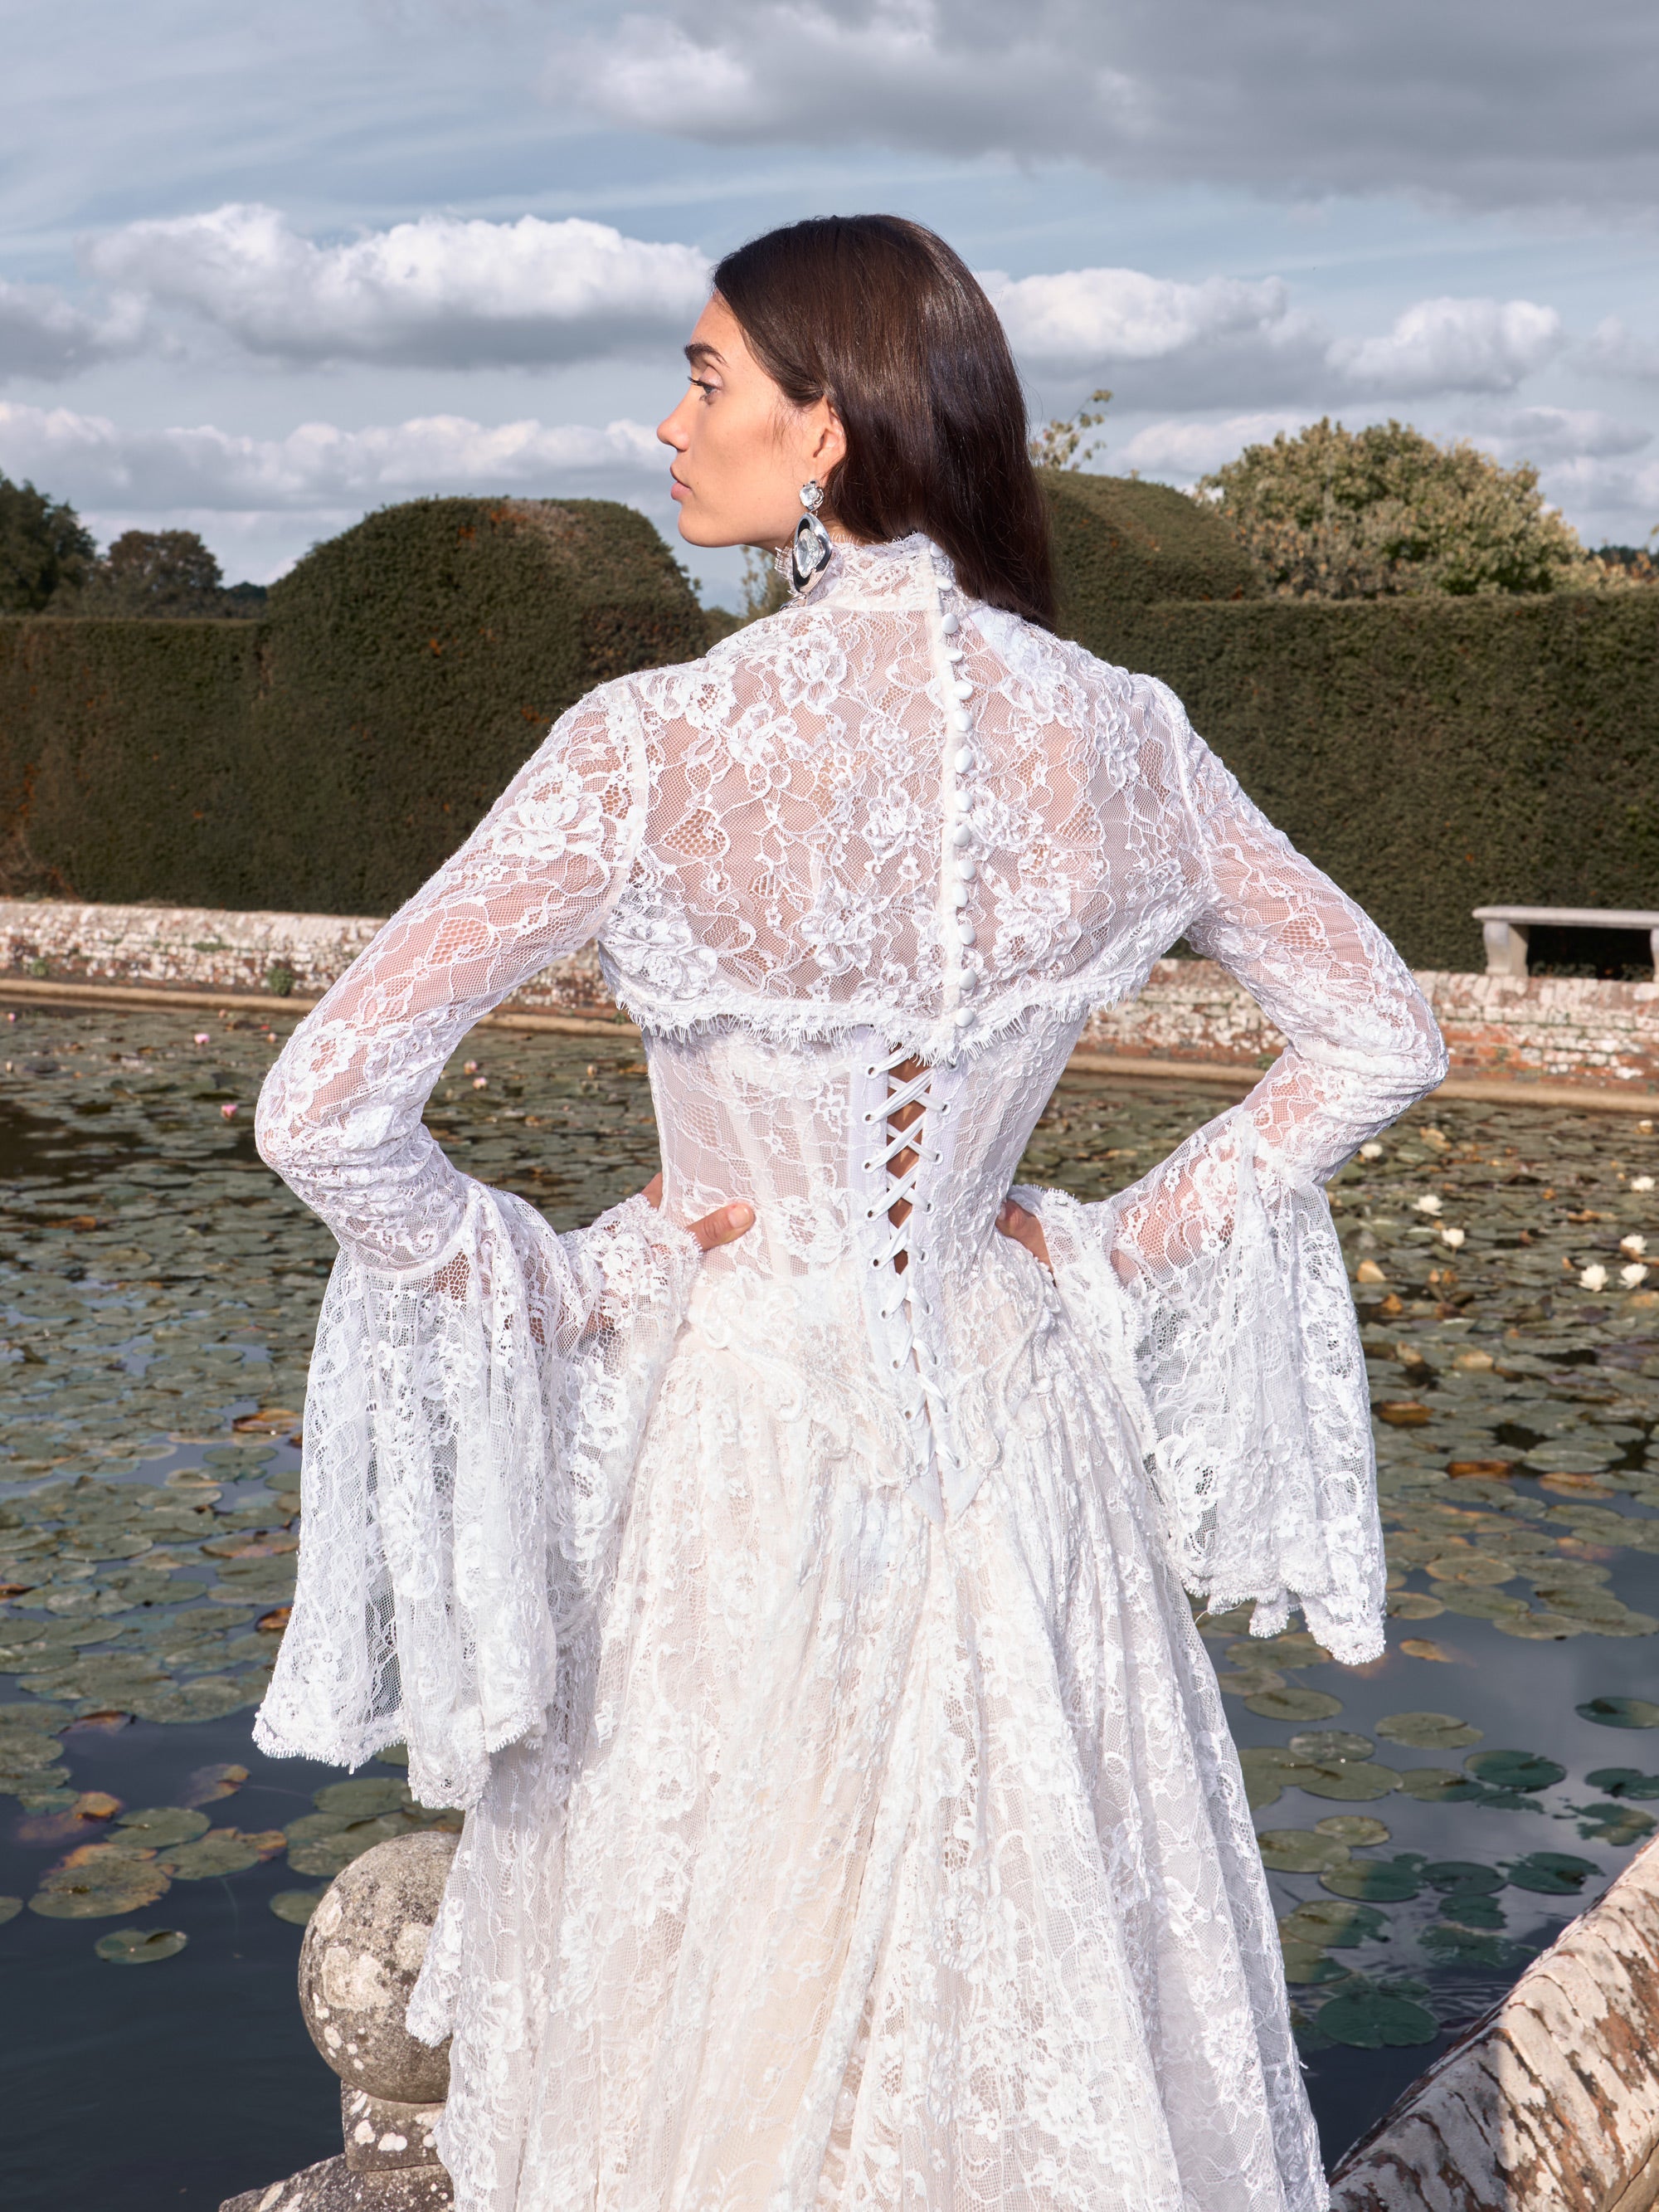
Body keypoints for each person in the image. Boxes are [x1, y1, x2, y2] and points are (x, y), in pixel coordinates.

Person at [253, 214, 1446, 2212]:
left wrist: (570, 1277)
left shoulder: (650, 745)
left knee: (720, 2004)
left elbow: (325, 1103)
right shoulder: (1125, 732)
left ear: (828, 432)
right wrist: (1107, 1242)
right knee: (1036, 1979)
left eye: (707, 375)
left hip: (744, 1445)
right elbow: (1379, 1033)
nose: (668, 418)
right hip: (1012, 1413)